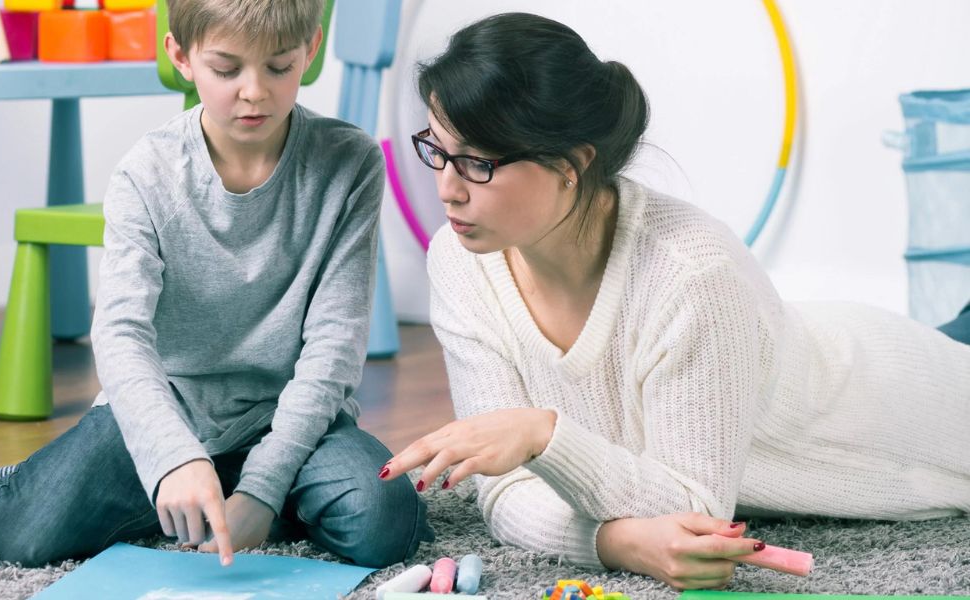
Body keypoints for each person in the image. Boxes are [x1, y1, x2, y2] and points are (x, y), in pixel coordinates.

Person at [379, 12, 970, 590]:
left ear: (571, 165)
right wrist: (613, 542)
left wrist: (545, 435)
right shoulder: (460, 263)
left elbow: (693, 503)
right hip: (797, 346)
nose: (446, 189)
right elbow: (506, 492)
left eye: (478, 163)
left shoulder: (693, 273)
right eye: (437, 149)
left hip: (899, 403)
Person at [0, 0, 431, 569]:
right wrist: (170, 457)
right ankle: (185, 487)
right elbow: (120, 336)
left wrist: (263, 487)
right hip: (167, 408)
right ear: (182, 57)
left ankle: (237, 494)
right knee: (11, 538)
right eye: (227, 69)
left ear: (310, 51)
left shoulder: (349, 161)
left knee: (387, 519)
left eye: (279, 67)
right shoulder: (146, 172)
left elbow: (335, 346)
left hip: (289, 418)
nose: (254, 92)